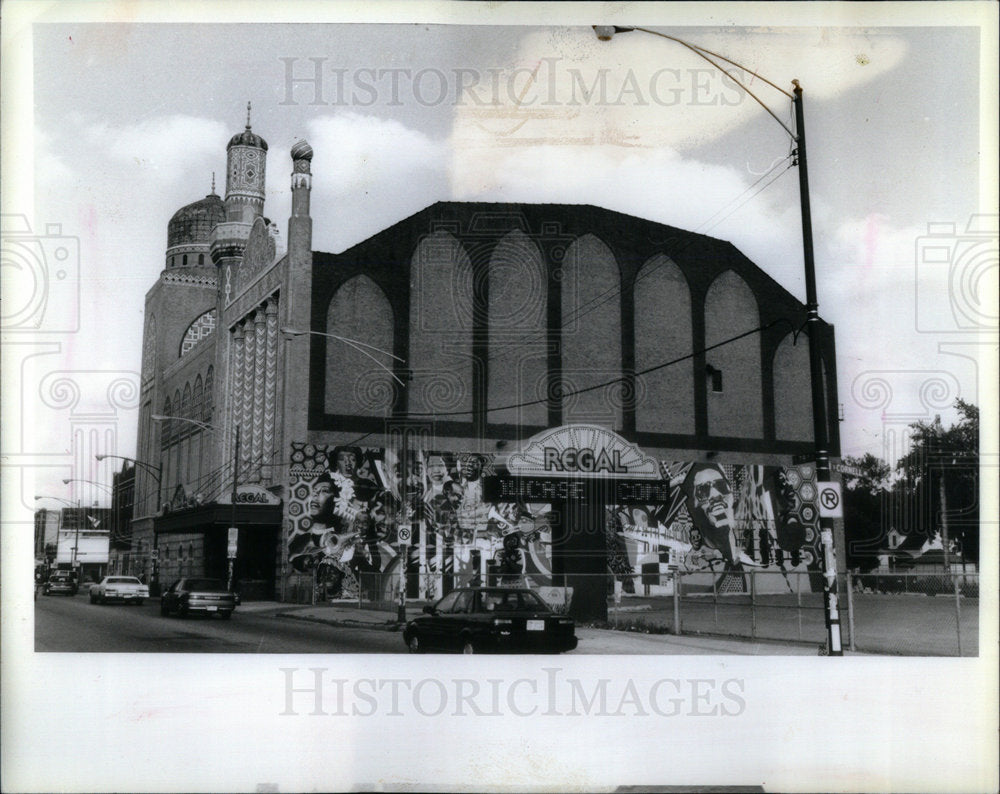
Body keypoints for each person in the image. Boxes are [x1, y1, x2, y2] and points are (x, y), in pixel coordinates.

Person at [682, 462, 755, 569]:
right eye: (703, 490)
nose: (716, 495)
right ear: (693, 506)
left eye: (721, 486)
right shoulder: (695, 562)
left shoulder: (744, 550)